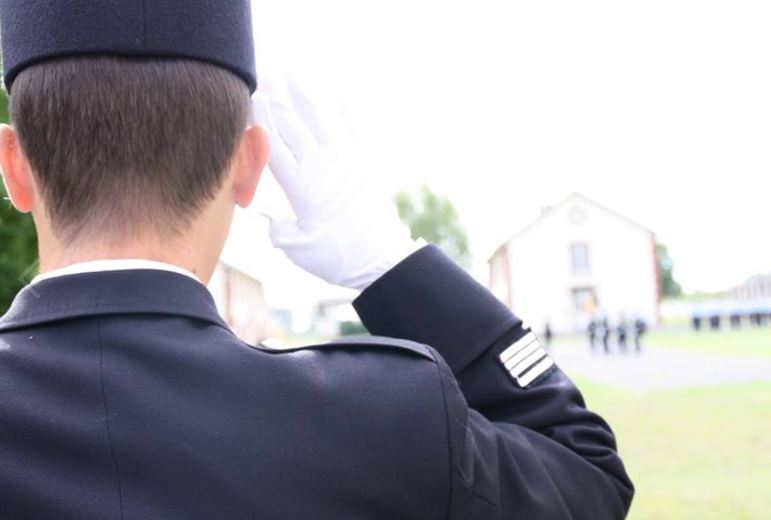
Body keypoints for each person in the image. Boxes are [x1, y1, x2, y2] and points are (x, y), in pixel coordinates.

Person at [0, 1, 633, 518]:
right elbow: (585, 476)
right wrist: (387, 262)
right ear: (249, 167)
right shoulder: (384, 418)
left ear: (14, 168)